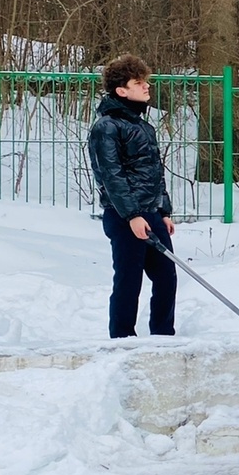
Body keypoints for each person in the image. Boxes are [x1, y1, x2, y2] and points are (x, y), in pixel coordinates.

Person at [87, 54, 178, 339]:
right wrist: (132, 216)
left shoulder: (142, 126)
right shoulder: (107, 127)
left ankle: (163, 337)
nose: (147, 87)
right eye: (139, 83)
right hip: (125, 216)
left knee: (166, 277)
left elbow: (153, 172)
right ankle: (122, 339)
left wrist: (163, 210)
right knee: (129, 281)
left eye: (146, 81)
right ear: (121, 90)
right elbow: (110, 177)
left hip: (150, 214)